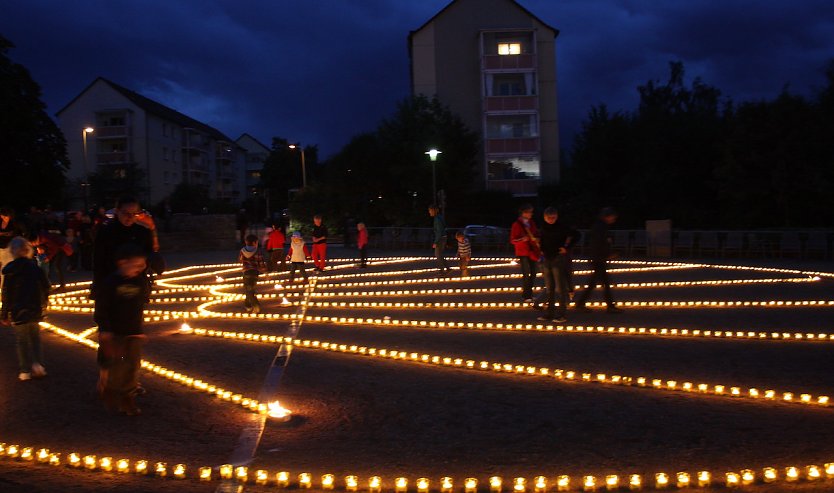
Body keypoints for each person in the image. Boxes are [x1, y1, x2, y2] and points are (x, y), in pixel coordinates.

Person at [94, 243, 151, 415]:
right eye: (136, 265)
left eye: (142, 265)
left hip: (133, 331)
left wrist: (139, 329)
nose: (139, 269)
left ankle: (128, 397)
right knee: (115, 364)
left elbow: (140, 305)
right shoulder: (110, 283)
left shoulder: (140, 281)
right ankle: (109, 389)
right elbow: (101, 308)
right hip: (114, 332)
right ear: (122, 263)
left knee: (133, 365)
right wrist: (104, 329)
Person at [1, 237, 50, 381]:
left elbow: (6, 295)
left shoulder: (10, 271)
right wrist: (43, 304)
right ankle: (38, 365)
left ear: (13, 252)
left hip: (17, 310)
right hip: (34, 308)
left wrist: (4, 314)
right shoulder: (35, 268)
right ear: (27, 250)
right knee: (35, 338)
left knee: (21, 340)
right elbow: (46, 286)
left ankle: (25, 370)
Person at [92, 197, 155, 299]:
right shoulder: (106, 232)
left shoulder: (143, 232)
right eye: (125, 213)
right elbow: (98, 260)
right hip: (111, 283)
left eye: (134, 213)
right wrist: (99, 286)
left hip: (136, 284)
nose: (130, 217)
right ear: (117, 211)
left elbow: (148, 255)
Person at [574, 207, 623, 313]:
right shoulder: (600, 227)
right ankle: (609, 306)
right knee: (601, 283)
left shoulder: (601, 226)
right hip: (598, 259)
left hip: (598, 258)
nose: (613, 220)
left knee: (596, 283)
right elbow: (599, 244)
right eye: (613, 217)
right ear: (607, 216)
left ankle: (581, 304)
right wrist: (606, 255)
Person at [536, 207, 578, 323]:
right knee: (549, 288)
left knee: (559, 288)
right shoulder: (543, 227)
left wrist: (566, 248)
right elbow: (543, 239)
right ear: (544, 217)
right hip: (547, 259)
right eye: (548, 218)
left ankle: (561, 314)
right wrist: (541, 248)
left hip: (558, 259)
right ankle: (549, 313)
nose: (551, 220)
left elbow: (576, 235)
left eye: (553, 217)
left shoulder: (562, 227)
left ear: (556, 216)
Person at [510, 203, 540, 302]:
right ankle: (526, 295)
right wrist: (522, 239)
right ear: (523, 213)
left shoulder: (532, 223)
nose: (531, 214)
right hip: (522, 252)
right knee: (526, 274)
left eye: (531, 212)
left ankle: (528, 294)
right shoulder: (516, 224)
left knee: (534, 272)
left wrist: (537, 238)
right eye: (528, 212)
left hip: (532, 251)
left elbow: (536, 234)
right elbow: (512, 240)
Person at [1, 207, 27, 292]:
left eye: (5, 216)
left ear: (10, 216)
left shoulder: (15, 224)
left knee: (7, 267)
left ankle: (7, 287)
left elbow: (20, 234)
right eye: (2, 216)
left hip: (9, 248)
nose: (3, 218)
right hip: (0, 248)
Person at [239, 234, 266, 314]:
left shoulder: (242, 251)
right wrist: (264, 270)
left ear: (246, 242)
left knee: (248, 289)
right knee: (251, 289)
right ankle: (255, 305)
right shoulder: (257, 251)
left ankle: (248, 305)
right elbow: (261, 263)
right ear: (255, 243)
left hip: (246, 272)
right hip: (254, 273)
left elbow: (240, 259)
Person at [428, 205, 450, 274]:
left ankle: (442, 270)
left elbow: (439, 231)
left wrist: (436, 242)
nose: (429, 213)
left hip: (440, 239)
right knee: (439, 254)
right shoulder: (439, 217)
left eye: (430, 211)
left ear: (434, 211)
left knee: (438, 254)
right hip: (443, 237)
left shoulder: (437, 219)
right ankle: (447, 268)